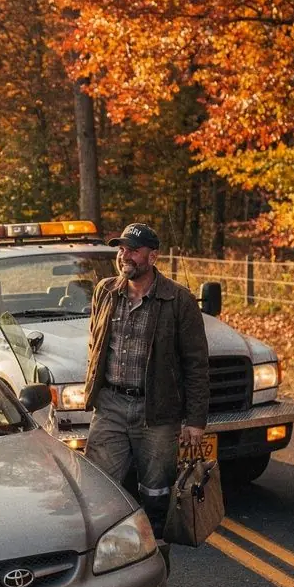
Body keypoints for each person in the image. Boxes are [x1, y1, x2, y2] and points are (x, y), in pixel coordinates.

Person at [82, 222, 209, 544]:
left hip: (157, 411)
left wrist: (195, 421)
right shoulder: (105, 291)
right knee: (98, 488)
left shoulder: (178, 300)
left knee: (156, 492)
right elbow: (95, 344)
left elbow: (196, 364)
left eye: (133, 250)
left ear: (153, 257)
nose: (124, 256)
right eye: (121, 249)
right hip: (110, 405)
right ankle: (107, 553)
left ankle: (155, 553)